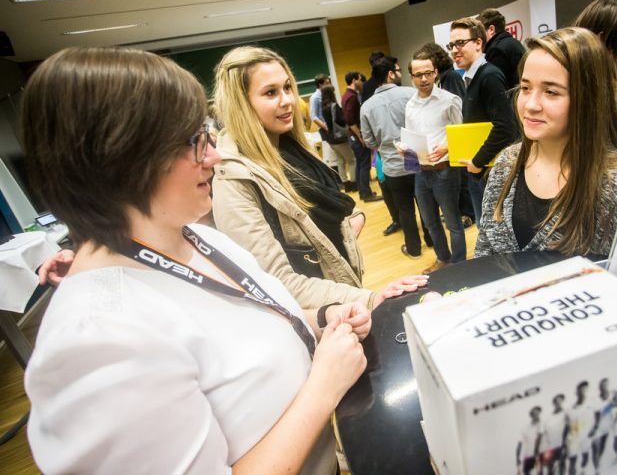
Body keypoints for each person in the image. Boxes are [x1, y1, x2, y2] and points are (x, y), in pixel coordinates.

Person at [22, 46, 369, 474]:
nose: (215, 156)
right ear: (124, 160)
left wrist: (327, 317)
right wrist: (323, 387)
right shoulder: (96, 340)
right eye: (194, 141)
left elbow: (258, 318)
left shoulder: (201, 238)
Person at [211, 46, 426, 310]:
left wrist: (351, 218)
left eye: (287, 88)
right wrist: (368, 299)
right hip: (319, 314)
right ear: (241, 104)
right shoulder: (234, 180)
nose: (287, 100)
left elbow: (332, 203)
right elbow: (276, 281)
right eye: (270, 93)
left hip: (341, 293)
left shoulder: (292, 149)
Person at [474, 28, 617, 259]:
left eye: (551, 92)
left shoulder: (616, 185)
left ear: (588, 99)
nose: (530, 105)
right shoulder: (507, 163)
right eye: (526, 88)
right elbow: (484, 252)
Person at [448, 16, 518, 222]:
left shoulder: (489, 76)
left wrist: (478, 162)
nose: (454, 50)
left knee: (492, 229)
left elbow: (506, 127)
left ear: (479, 43)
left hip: (488, 170)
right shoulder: (472, 77)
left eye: (460, 43)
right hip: (479, 169)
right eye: (451, 45)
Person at [361, 55, 430, 259]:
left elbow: (369, 142)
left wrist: (385, 145)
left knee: (405, 210)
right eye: (398, 71)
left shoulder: (366, 107)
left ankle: (414, 249)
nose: (400, 74)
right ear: (391, 74)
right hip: (416, 159)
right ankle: (432, 240)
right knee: (425, 204)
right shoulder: (411, 93)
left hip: (392, 165)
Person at [404, 50, 465, 274]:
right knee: (430, 222)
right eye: (418, 75)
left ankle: (458, 265)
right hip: (420, 172)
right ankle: (443, 259)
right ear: (412, 77)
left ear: (436, 73)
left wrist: (448, 147)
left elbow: (461, 133)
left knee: (453, 222)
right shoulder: (410, 105)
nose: (423, 79)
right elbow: (411, 136)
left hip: (445, 171)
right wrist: (407, 153)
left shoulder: (449, 100)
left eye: (428, 73)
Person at [573, 0, 617, 132]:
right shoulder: (572, 77)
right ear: (600, 38)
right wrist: (609, 127)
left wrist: (612, 125)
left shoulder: (604, 72)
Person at [341, 71, 382, 202]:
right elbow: (350, 120)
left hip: (353, 137)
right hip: (356, 137)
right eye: (360, 80)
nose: (362, 83)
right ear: (354, 80)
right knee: (364, 165)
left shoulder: (347, 95)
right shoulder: (351, 97)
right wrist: (361, 136)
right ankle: (366, 194)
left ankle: (363, 192)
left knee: (360, 164)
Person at [477, 8, 526, 90]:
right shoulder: (512, 42)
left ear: (491, 29)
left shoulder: (496, 50)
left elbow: (496, 87)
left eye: (479, 33)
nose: (477, 38)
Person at [320, 85, 357, 192]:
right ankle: (354, 183)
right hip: (339, 138)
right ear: (331, 93)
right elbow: (341, 120)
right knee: (352, 160)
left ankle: (346, 184)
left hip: (331, 138)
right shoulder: (334, 106)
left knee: (341, 161)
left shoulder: (323, 107)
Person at [309, 73, 331, 138]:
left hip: (332, 127)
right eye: (327, 83)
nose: (329, 85)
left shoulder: (327, 94)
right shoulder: (314, 97)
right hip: (325, 129)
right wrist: (326, 127)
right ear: (320, 84)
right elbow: (313, 116)